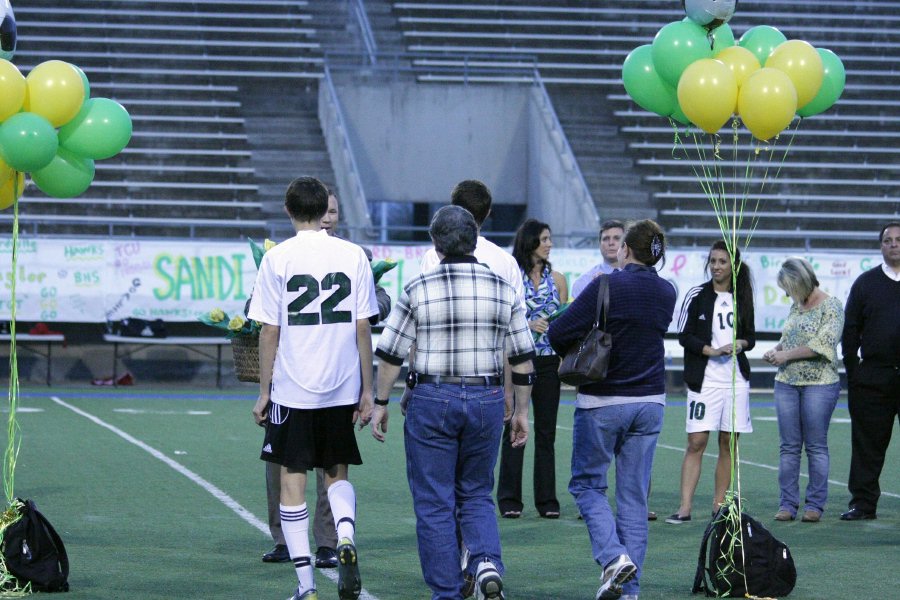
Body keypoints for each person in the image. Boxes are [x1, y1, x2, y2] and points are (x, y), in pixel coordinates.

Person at [371, 205, 536, 600]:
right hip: (487, 396)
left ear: (435, 243)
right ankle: (485, 563)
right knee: (477, 493)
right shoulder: (503, 287)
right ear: (474, 239)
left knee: (434, 502)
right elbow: (523, 359)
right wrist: (522, 412)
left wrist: (379, 402)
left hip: (433, 396)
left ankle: (447, 591)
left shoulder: (418, 288)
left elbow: (391, 353)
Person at [248, 176, 378, 600]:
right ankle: (344, 535)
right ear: (325, 208)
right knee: (336, 471)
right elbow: (363, 328)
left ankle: (306, 585)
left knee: (293, 481)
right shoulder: (353, 254)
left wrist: (265, 391)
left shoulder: (277, 258)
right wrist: (366, 389)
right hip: (341, 386)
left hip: (293, 388)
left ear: (288, 210)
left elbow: (269, 331)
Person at [548, 220, 676, 600]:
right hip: (651, 400)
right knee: (635, 499)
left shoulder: (607, 284)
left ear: (625, 250)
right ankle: (628, 591)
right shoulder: (667, 291)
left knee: (587, 486)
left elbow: (558, 332)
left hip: (603, 399)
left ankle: (613, 558)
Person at [667, 241, 756, 525]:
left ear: (733, 266)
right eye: (713, 261)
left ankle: (719, 506)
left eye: (722, 261)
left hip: (735, 381)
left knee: (728, 442)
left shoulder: (743, 296)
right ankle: (685, 507)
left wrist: (739, 343)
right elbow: (684, 335)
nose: (717, 266)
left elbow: (750, 337)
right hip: (704, 381)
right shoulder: (697, 294)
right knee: (696, 441)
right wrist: (711, 350)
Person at [763, 257, 843, 523]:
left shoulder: (831, 306)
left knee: (816, 447)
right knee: (788, 447)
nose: (787, 293)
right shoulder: (796, 306)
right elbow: (788, 339)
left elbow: (823, 345)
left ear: (802, 281)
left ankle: (815, 505)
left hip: (819, 384)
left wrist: (786, 356)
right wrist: (775, 351)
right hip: (786, 383)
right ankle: (787, 504)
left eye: (789, 288)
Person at [497, 219, 568, 519]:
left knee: (546, 432)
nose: (549, 244)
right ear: (530, 242)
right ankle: (510, 498)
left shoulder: (559, 279)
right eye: (544, 239)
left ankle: (547, 501)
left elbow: (564, 322)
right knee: (513, 426)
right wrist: (527, 325)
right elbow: (504, 320)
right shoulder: (512, 278)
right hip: (519, 359)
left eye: (550, 238)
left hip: (550, 361)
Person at [840, 222, 900, 521]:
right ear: (881, 246)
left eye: (899, 239)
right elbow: (850, 329)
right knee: (867, 446)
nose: (894, 244)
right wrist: (855, 372)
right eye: (888, 240)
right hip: (874, 378)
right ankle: (863, 504)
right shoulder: (865, 283)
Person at [571, 220, 625, 298]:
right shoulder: (583, 282)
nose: (611, 243)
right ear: (599, 244)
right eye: (606, 239)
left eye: (616, 238)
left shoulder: (636, 279)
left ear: (625, 244)